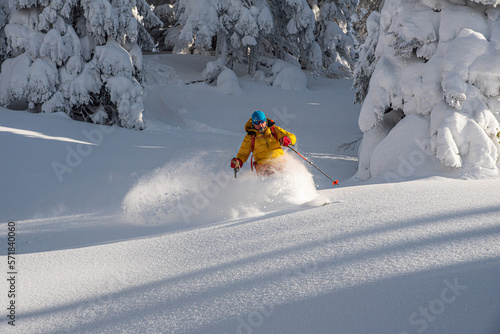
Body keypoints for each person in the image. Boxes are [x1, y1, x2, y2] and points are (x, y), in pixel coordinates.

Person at [231, 110, 296, 176]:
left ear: (265, 120)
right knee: (268, 174)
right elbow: (243, 153)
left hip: (279, 162)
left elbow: (292, 137)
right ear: (253, 123)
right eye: (257, 123)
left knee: (285, 174)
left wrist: (288, 140)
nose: (260, 125)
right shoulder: (250, 137)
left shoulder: (274, 130)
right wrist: (238, 161)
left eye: (262, 121)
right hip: (263, 166)